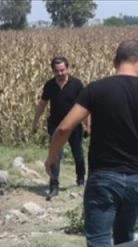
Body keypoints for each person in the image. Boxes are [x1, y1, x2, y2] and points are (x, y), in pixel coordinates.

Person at [45, 40, 138, 247]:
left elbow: (64, 128)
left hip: (103, 178)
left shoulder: (95, 90)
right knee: (124, 241)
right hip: (136, 179)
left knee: (99, 244)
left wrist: (52, 158)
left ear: (114, 62)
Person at [32, 56, 88, 200]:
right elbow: (42, 104)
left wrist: (88, 125)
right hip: (55, 125)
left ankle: (81, 179)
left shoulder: (76, 84)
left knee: (78, 153)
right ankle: (54, 185)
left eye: (62, 70)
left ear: (67, 68)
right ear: (53, 71)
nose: (60, 73)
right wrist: (35, 122)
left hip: (74, 125)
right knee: (55, 155)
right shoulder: (49, 85)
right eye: (57, 71)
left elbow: (84, 106)